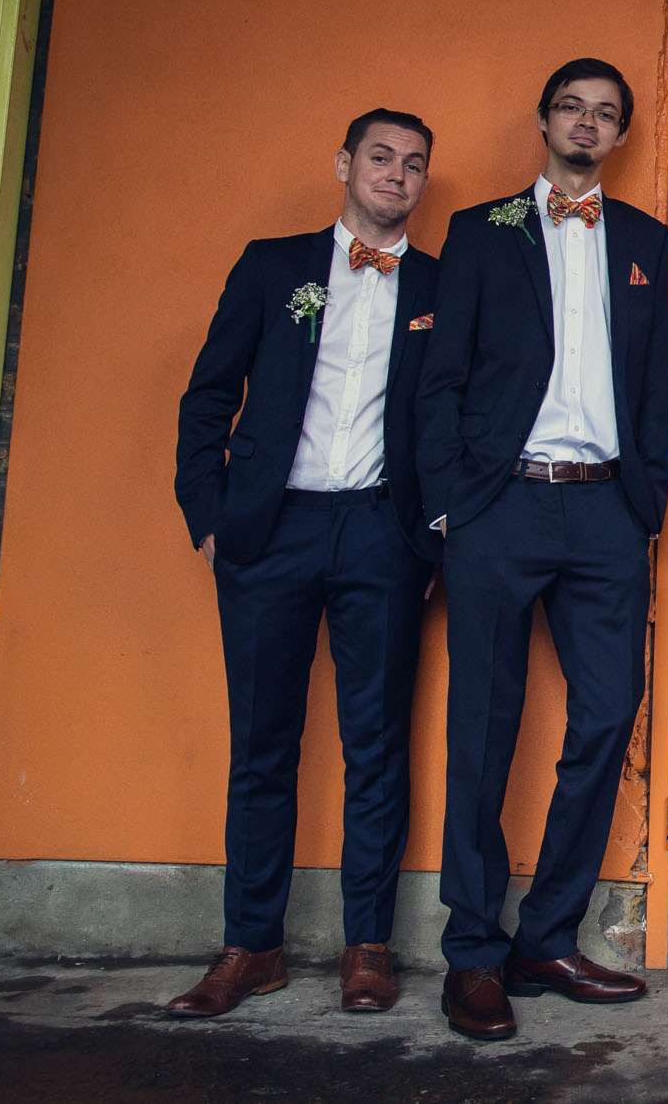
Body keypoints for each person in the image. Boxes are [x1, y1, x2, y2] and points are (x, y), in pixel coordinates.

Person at [419, 58, 668, 1041]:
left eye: (606, 113)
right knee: (484, 728)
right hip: (501, 505)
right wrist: (451, 503)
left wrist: (644, 504)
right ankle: (472, 951)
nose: (587, 123)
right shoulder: (480, 230)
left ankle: (548, 935)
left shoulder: (646, 240)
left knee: (607, 713)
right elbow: (441, 377)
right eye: (572, 106)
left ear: (620, 135)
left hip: (606, 509)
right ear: (543, 119)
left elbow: (653, 381)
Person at [168, 109, 441, 1019]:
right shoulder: (273, 265)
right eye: (380, 156)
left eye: (413, 164)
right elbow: (209, 394)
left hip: (382, 533)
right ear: (343, 164)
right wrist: (210, 516)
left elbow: (457, 415)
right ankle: (251, 947)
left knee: (377, 747)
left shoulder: (440, 285)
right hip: (269, 531)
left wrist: (432, 536)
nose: (396, 174)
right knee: (262, 744)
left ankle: (369, 947)